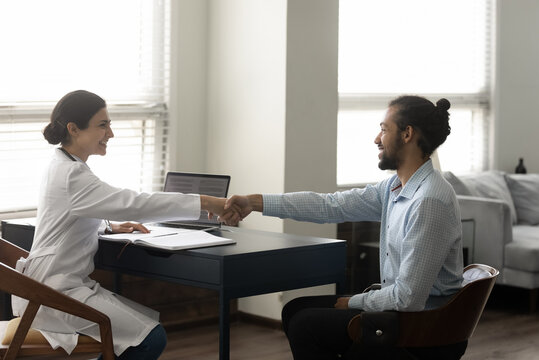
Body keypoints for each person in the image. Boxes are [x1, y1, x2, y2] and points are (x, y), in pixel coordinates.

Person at [222, 95, 466, 359]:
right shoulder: (394, 188)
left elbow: (408, 298)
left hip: (426, 328)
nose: (376, 139)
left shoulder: (429, 200)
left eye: (384, 129)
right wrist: (253, 202)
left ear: (407, 134)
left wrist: (352, 302)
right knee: (294, 311)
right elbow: (329, 206)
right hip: (403, 314)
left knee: (306, 326)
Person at [12, 90, 235, 360]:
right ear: (73, 129)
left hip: (51, 286)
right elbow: (136, 203)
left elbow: (67, 217)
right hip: (54, 293)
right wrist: (206, 202)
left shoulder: (61, 164)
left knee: (140, 330)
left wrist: (105, 227)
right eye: (103, 125)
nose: (111, 134)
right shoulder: (72, 174)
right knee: (150, 338)